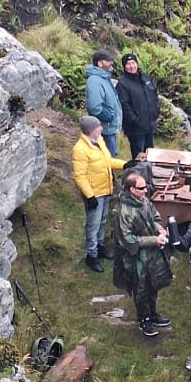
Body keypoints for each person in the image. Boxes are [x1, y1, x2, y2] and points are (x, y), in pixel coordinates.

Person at [113, 173, 173, 338]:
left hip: (152, 254)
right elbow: (127, 239)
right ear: (132, 189)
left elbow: (154, 216)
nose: (146, 190)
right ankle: (144, 320)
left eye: (146, 187)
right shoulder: (122, 211)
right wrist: (154, 240)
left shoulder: (144, 201)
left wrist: (159, 229)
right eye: (142, 188)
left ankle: (153, 314)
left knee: (154, 284)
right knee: (141, 289)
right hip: (135, 257)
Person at [71, 115, 125, 272]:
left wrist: (125, 164)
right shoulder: (80, 149)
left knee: (102, 221)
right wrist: (90, 196)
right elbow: (79, 176)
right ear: (90, 130)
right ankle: (91, 255)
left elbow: (108, 162)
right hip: (94, 194)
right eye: (98, 127)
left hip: (105, 189)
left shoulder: (99, 141)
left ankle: (100, 247)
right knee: (93, 225)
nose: (101, 128)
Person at [115, 53, 160, 159]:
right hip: (136, 128)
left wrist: (156, 110)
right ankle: (137, 169)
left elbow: (155, 95)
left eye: (133, 63)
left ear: (137, 63)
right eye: (128, 64)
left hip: (150, 124)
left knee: (150, 154)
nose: (131, 66)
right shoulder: (122, 83)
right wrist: (134, 120)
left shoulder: (145, 78)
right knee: (138, 157)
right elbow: (124, 104)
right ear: (124, 66)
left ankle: (148, 169)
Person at [85, 49, 122, 160]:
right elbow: (94, 107)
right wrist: (109, 117)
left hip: (109, 129)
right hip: (104, 130)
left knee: (110, 157)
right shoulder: (94, 81)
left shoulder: (104, 78)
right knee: (106, 159)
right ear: (100, 63)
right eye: (108, 61)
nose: (111, 63)